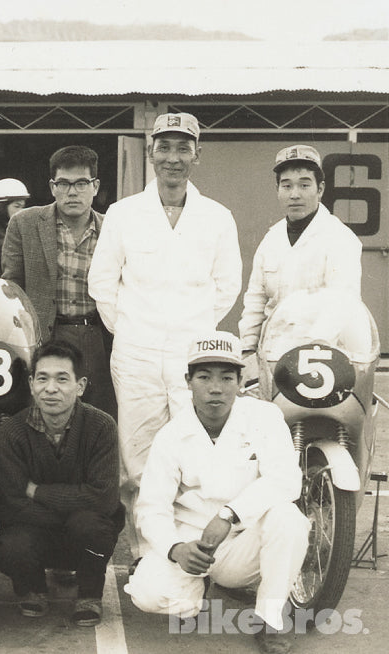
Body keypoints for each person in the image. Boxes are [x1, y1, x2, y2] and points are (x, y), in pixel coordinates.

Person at [88, 112, 242, 561]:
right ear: (150, 151)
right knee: (136, 458)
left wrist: (189, 333)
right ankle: (148, 553)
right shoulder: (123, 213)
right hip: (135, 350)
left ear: (197, 153)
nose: (173, 158)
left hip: (192, 354)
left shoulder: (217, 217)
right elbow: (103, 283)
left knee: (193, 451)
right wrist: (136, 328)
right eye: (164, 147)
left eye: (183, 148)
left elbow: (227, 285)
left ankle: (197, 549)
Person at [125, 331, 308, 654]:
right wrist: (175, 548)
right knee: (147, 594)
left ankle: (272, 616)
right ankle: (198, 589)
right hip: (193, 544)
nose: (215, 388)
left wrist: (229, 514)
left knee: (289, 519)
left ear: (240, 381)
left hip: (244, 540)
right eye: (204, 377)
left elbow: (286, 480)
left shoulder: (264, 416)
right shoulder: (172, 435)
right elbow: (151, 507)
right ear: (188, 381)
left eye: (226, 378)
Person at [0, 340, 123, 625]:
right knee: (9, 545)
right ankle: (32, 589)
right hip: (37, 534)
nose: (51, 388)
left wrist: (36, 491)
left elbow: (106, 498)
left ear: (81, 385)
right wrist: (72, 506)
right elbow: (11, 502)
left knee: (91, 526)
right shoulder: (12, 430)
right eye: (43, 378)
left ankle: (89, 594)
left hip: (83, 533)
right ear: (31, 383)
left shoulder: (101, 426)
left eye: (62, 379)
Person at [2, 145, 116, 418]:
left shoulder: (113, 227)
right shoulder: (24, 223)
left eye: (81, 183)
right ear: (53, 187)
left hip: (98, 339)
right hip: (46, 337)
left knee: (98, 418)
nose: (72, 191)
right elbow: (11, 290)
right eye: (63, 183)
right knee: (43, 418)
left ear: (95, 186)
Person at [238, 145, 362, 359]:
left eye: (304, 185)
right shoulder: (271, 239)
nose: (295, 194)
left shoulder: (340, 238)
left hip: (324, 357)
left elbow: (342, 305)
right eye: (287, 186)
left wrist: (311, 352)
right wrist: (248, 349)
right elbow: (255, 300)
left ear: (320, 189)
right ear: (277, 190)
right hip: (272, 355)